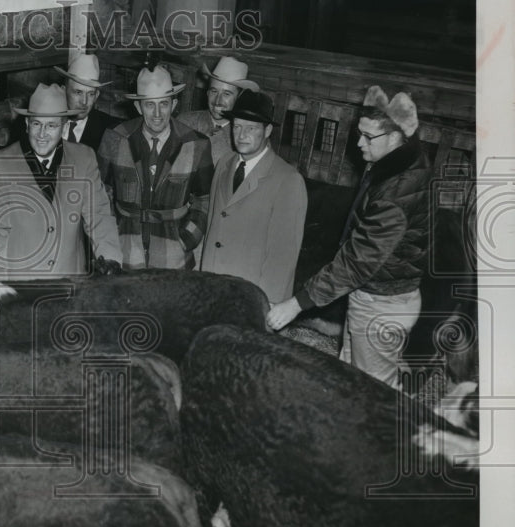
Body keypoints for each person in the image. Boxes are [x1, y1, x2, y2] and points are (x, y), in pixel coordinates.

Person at [266, 86, 431, 388]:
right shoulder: (395, 165)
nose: (358, 143)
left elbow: (357, 262)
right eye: (359, 133)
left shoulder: (396, 193)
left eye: (368, 137)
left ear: (396, 137)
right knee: (350, 377)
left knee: (374, 392)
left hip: (382, 305)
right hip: (375, 293)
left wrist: (297, 303)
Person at [0, 83, 122, 279]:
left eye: (51, 125)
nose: (42, 134)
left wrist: (110, 260)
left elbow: (99, 215)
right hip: (21, 290)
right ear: (27, 124)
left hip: (71, 287)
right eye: (36, 124)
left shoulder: (83, 158)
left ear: (64, 126)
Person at [97, 65, 213, 270]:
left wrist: (187, 239)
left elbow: (205, 199)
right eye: (150, 105)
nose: (158, 113)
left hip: (174, 259)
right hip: (125, 256)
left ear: (174, 104)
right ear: (138, 107)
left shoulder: (196, 143)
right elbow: (100, 194)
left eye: (164, 104)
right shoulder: (114, 138)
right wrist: (111, 237)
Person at [200, 89, 308, 303]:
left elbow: (283, 256)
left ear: (267, 130)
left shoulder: (288, 180)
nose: (241, 135)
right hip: (212, 286)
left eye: (251, 128)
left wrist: (267, 304)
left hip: (250, 294)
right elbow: (213, 224)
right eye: (237, 126)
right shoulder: (224, 164)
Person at [8, 54, 120, 153]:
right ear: (63, 90)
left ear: (97, 96)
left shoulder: (111, 129)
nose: (84, 102)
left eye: (90, 94)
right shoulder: (30, 124)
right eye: (78, 92)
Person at [178, 56, 260, 166]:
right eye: (214, 91)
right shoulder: (184, 122)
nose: (217, 100)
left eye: (226, 94)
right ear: (207, 92)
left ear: (239, 98)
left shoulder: (244, 138)